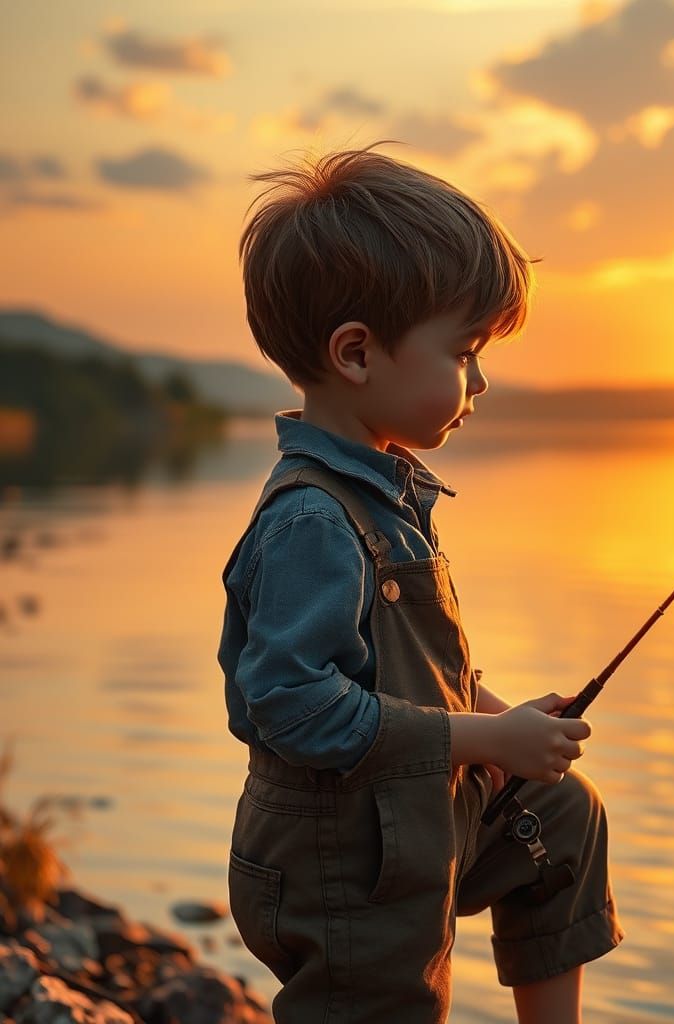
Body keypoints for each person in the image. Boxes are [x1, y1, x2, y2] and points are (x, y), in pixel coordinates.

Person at [216, 142, 623, 1024]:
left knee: (560, 819)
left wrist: (503, 724)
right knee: (390, 1001)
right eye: (465, 351)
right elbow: (293, 704)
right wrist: (473, 740)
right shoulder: (312, 523)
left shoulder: (390, 497)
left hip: (408, 812)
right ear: (357, 354)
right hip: (340, 858)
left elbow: (402, 668)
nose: (479, 382)